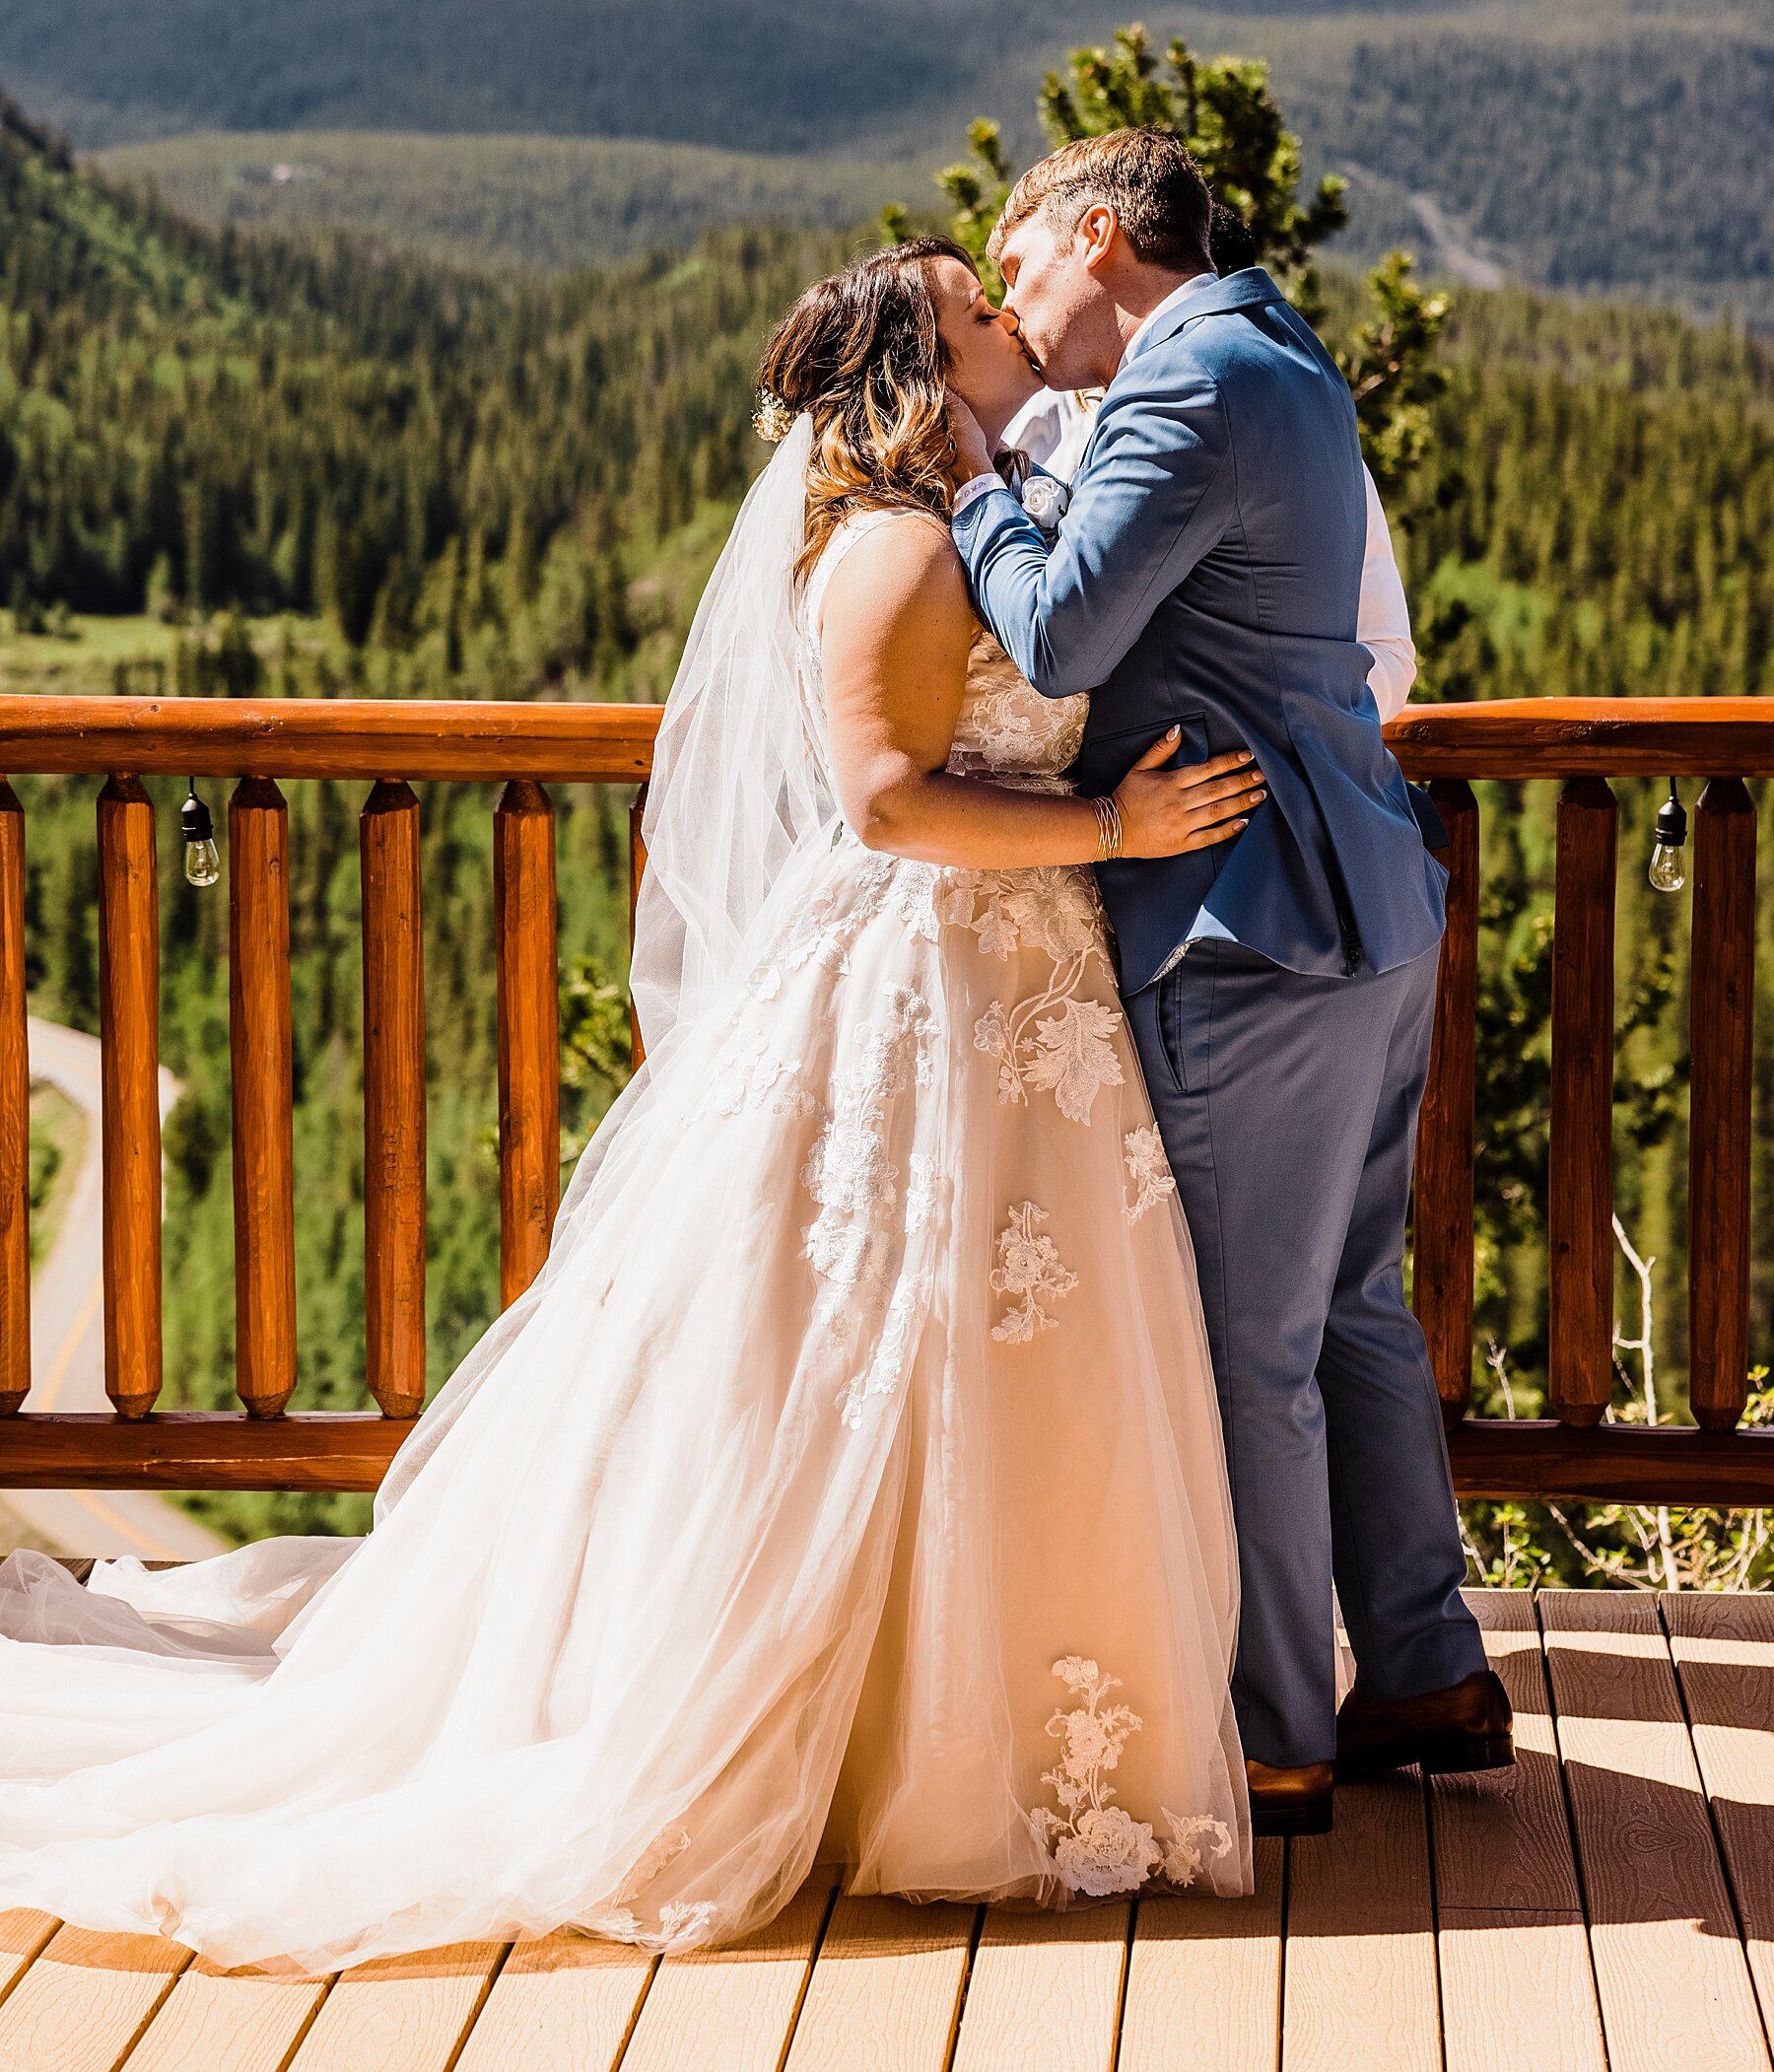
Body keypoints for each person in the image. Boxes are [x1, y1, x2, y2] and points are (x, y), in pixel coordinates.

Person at [0, 238, 1255, 1970]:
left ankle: (980, 1737)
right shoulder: (892, 543)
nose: (1008, 323)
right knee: (864, 1356)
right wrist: (1117, 833)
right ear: (918, 364)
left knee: (1002, 1364)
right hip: (928, 983)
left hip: (1025, 998)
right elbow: (890, 804)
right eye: (975, 311)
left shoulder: (977, 516)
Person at [947, 133, 1512, 1838]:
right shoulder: (1276, 351)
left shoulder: (1185, 385)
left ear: (1098, 232)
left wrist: (974, 471)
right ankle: (1421, 1663)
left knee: (1249, 1342)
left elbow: (1055, 636)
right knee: (1346, 1306)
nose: (1013, 301)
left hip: (1250, 931)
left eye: (1018, 260)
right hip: (1367, 903)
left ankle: (1277, 1729)